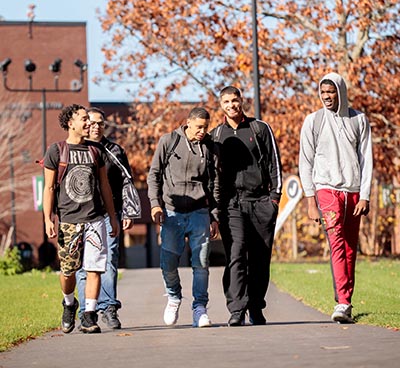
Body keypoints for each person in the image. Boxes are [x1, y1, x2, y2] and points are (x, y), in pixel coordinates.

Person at [299, 72, 373, 323]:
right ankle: (342, 302)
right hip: (326, 190)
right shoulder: (314, 121)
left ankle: (346, 301)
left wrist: (365, 195)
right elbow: (305, 161)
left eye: (331, 92)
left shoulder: (359, 120)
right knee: (337, 242)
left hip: (353, 193)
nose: (326, 97)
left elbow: (367, 159)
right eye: (323, 92)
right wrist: (310, 199)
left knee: (351, 247)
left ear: (340, 92)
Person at [43, 104, 118, 334]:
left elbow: (104, 186)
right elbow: (49, 188)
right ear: (70, 123)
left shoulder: (96, 151)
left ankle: (89, 315)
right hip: (68, 220)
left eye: (89, 119)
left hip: (95, 219)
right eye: (84, 119)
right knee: (68, 272)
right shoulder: (56, 151)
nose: (89, 123)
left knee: (95, 268)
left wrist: (112, 217)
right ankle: (69, 303)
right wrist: (48, 219)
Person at [211, 86, 282, 326]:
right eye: (226, 102)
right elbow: (211, 174)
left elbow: (274, 164)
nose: (231, 105)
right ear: (221, 105)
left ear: (242, 101)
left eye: (234, 100)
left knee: (260, 258)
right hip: (232, 204)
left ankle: (256, 307)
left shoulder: (259, 128)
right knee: (236, 254)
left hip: (261, 202)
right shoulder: (216, 134)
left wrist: (274, 199)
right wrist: (215, 208)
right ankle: (236, 309)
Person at [147, 107, 220, 328]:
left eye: (206, 127)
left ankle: (200, 308)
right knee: (168, 263)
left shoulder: (211, 147)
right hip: (171, 212)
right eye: (199, 127)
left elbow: (215, 183)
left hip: (200, 212)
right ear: (188, 123)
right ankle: (174, 296)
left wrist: (214, 215)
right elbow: (154, 175)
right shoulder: (169, 141)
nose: (202, 131)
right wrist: (155, 205)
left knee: (201, 264)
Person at [76, 107, 138, 330]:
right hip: (82, 215)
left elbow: (126, 182)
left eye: (100, 123)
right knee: (83, 265)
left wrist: (128, 212)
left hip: (110, 213)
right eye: (92, 122)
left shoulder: (115, 150)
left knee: (110, 260)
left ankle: (109, 307)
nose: (96, 126)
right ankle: (85, 311)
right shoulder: (77, 149)